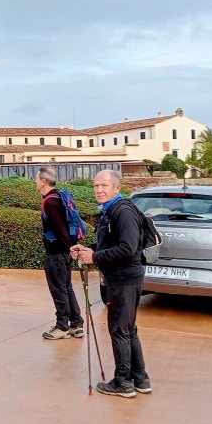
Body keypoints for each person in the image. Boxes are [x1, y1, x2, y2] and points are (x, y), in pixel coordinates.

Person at [71, 170, 151, 398]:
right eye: (96, 185)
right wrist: (89, 249)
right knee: (128, 330)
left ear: (117, 187)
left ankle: (123, 382)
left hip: (124, 279)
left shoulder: (122, 212)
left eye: (104, 185)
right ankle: (140, 378)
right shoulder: (111, 211)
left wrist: (94, 258)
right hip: (122, 279)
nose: (99, 190)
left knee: (119, 330)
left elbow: (127, 248)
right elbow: (111, 242)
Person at [35, 167, 84, 340]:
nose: (35, 181)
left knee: (58, 289)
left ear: (43, 181)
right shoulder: (58, 198)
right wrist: (71, 247)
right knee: (66, 287)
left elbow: (60, 227)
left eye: (36, 179)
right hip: (64, 251)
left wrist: (70, 247)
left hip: (56, 253)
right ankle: (76, 324)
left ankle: (62, 325)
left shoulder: (49, 201)